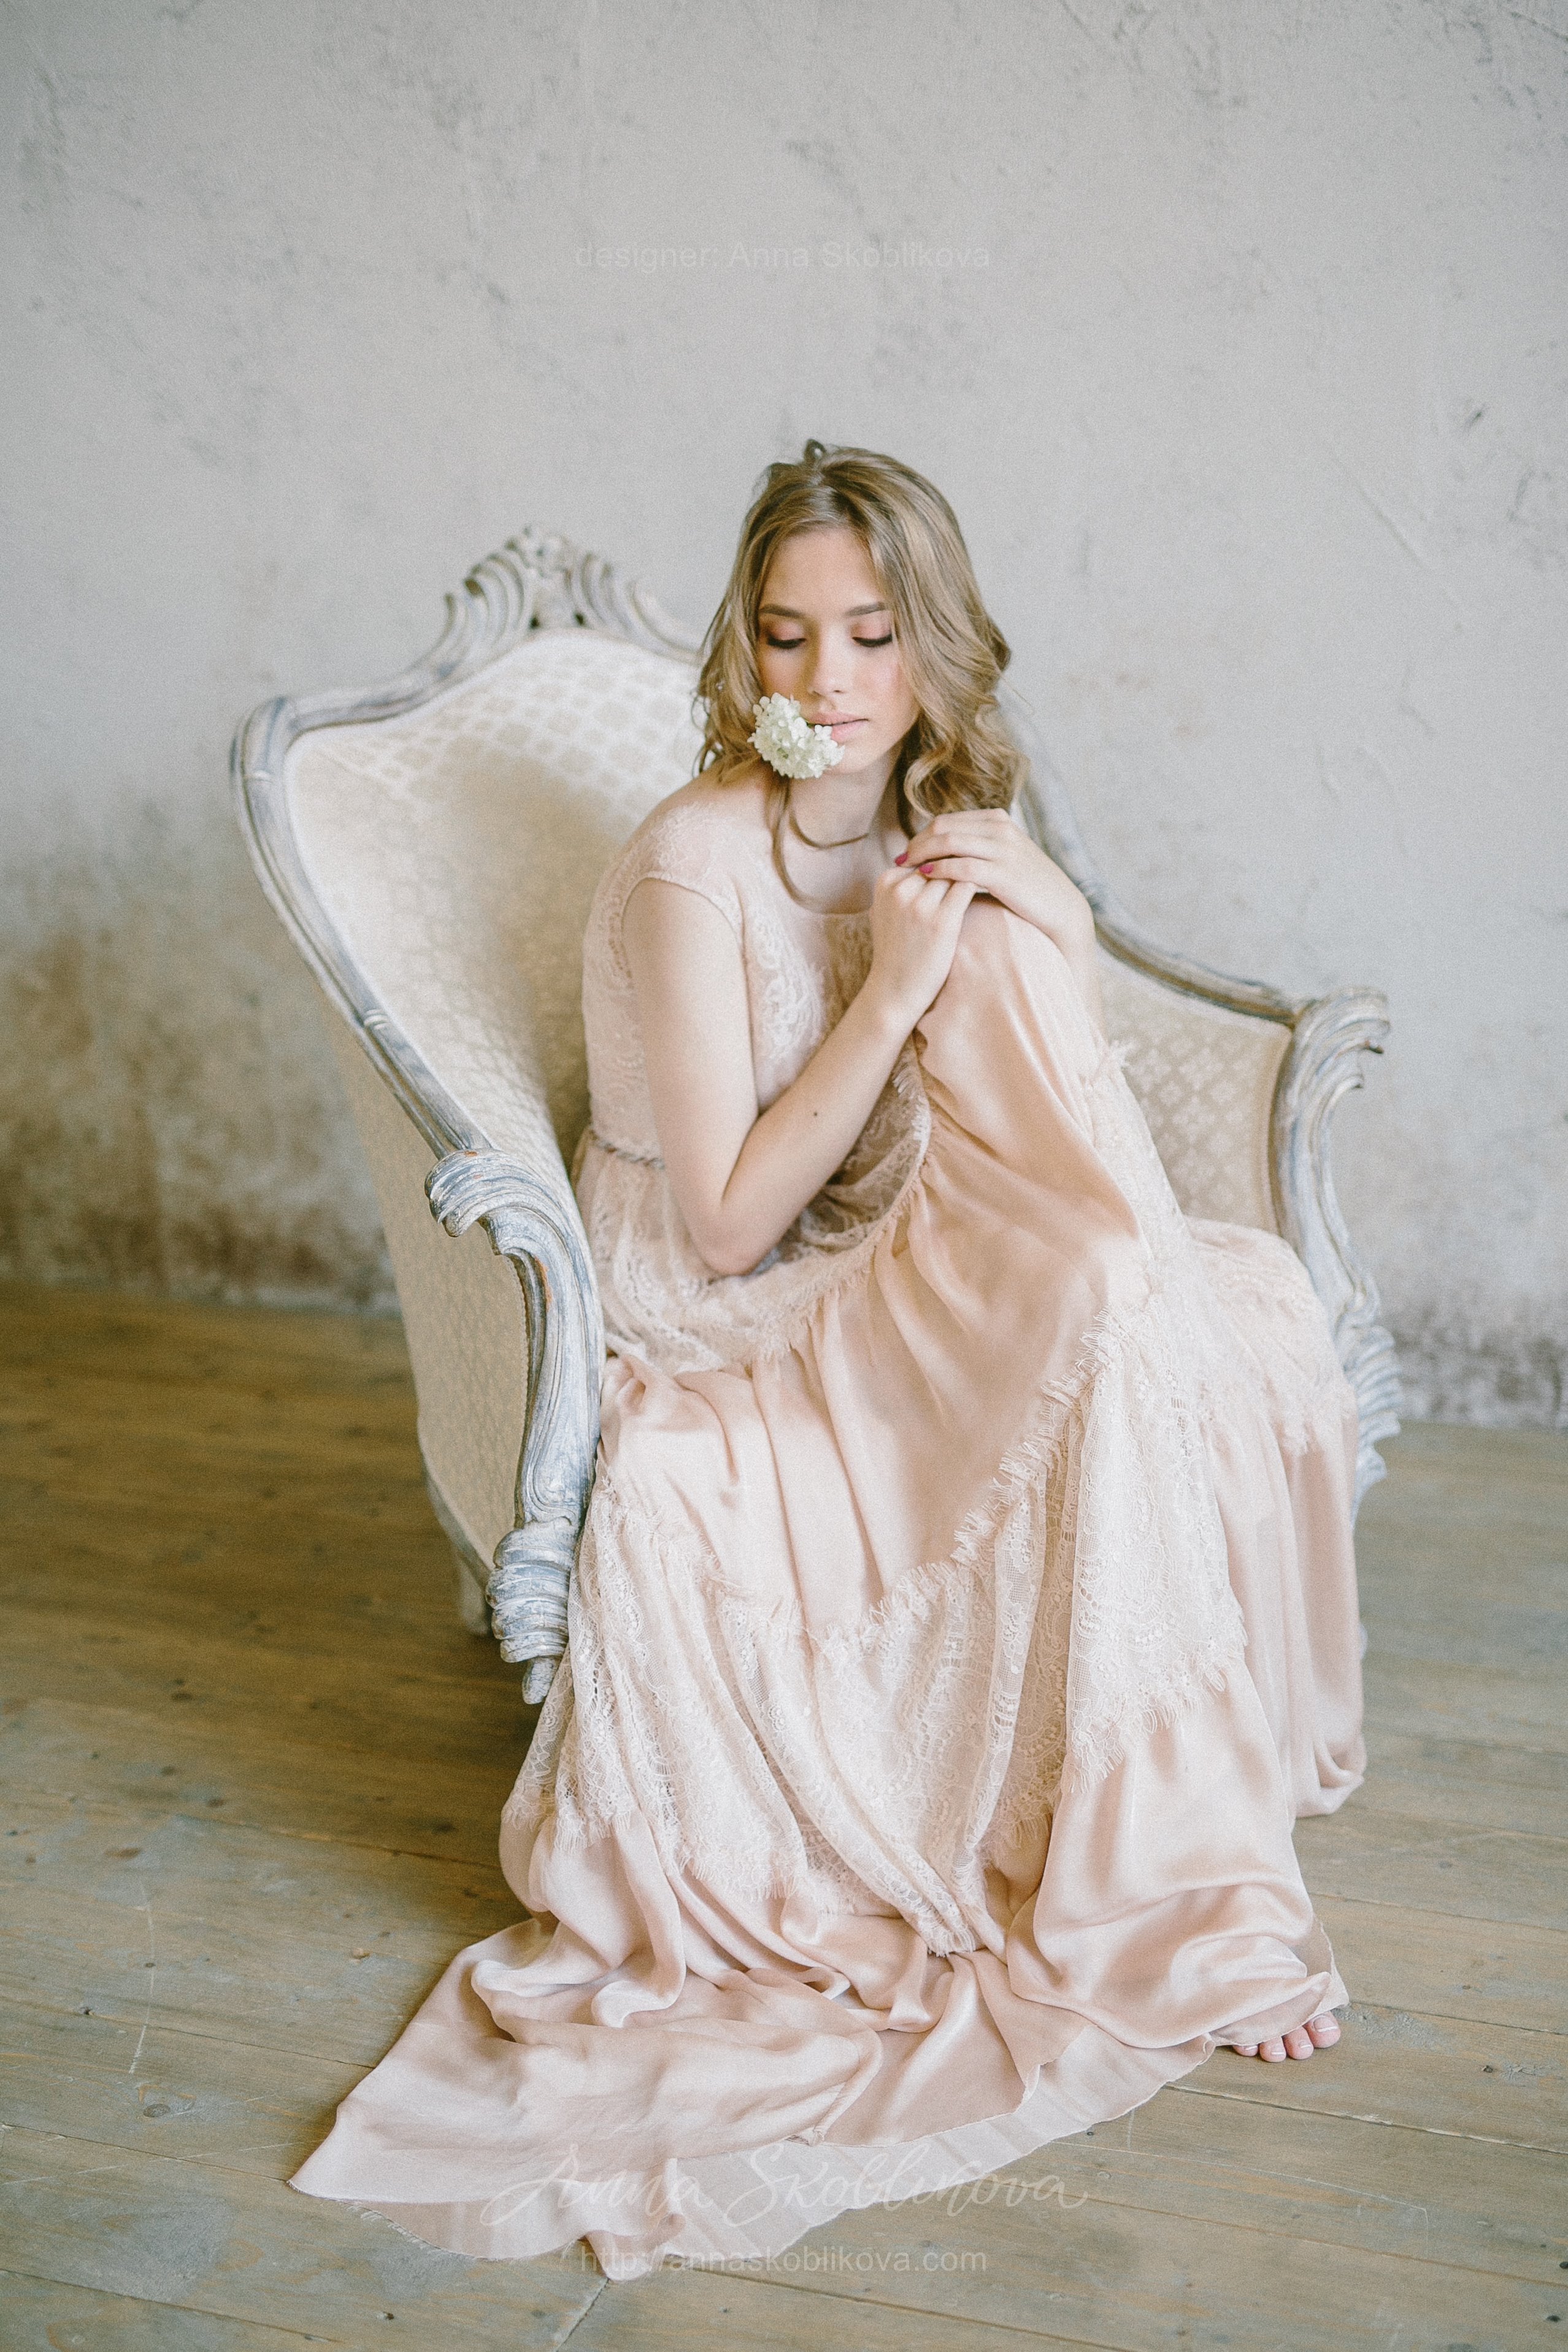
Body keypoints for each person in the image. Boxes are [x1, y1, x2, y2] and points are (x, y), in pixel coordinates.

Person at [292, 442, 1365, 2278]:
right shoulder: (696, 862)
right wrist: (889, 986)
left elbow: (1030, 1086)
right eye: (788, 635)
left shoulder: (935, 817)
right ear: (746, 649)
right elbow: (723, 1221)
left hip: (880, 1234)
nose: (831, 678)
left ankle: (1154, 1846)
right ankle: (1139, 1884)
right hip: (721, 1290)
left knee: (1164, 1288)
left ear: (936, 645)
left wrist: (1044, 917)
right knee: (1087, 1300)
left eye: (873, 634)